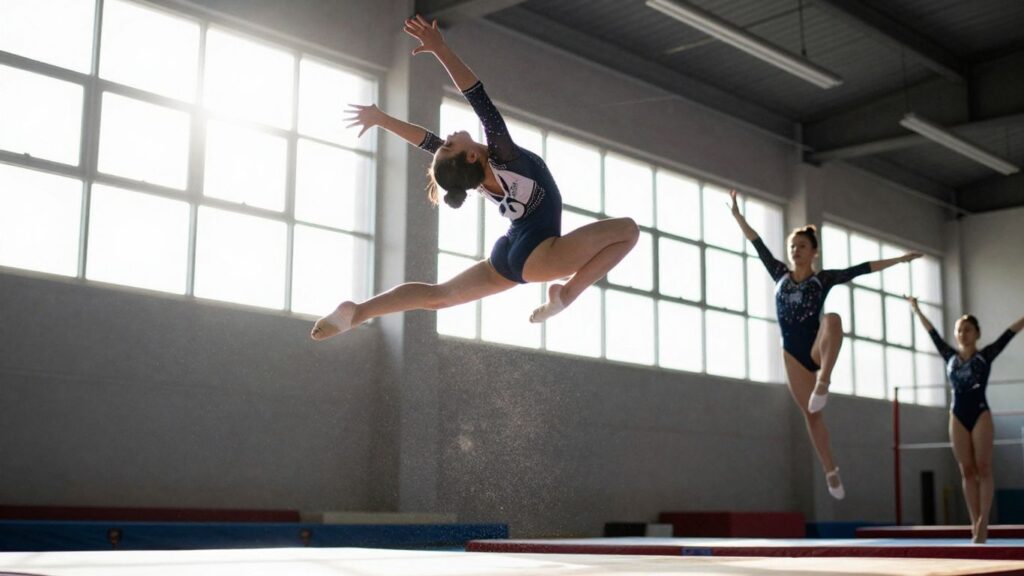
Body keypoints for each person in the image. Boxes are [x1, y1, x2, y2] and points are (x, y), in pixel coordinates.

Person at [311, 16, 638, 341]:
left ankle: (360, 312)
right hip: (536, 250)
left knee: (437, 296)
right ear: (470, 155)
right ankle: (566, 295)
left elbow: (424, 140)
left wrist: (383, 119)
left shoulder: (475, 176)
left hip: (510, 253)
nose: (447, 137)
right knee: (627, 231)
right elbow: (477, 98)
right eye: (450, 143)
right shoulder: (503, 156)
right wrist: (441, 49)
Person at [730, 190, 920, 499]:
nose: (796, 250)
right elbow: (757, 244)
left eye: (802, 246)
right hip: (792, 354)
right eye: (793, 246)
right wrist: (738, 216)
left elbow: (863, 268)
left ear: (813, 251)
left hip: (817, 348)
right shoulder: (779, 274)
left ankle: (825, 380)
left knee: (832, 319)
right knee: (812, 416)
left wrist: (899, 260)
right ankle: (831, 470)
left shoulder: (823, 279)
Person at [908, 298, 1023, 542]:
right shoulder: (949, 355)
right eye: (959, 329)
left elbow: (1009, 333)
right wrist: (916, 309)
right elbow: (933, 334)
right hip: (957, 415)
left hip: (980, 412)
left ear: (977, 333)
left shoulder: (986, 355)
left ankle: (984, 520)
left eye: (968, 329)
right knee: (967, 470)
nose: (963, 333)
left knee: (984, 467)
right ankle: (974, 520)